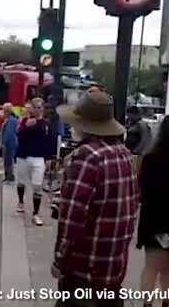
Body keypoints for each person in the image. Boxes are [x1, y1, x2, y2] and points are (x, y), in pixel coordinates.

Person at [52, 91, 139, 307]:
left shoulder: (88, 157)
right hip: (113, 268)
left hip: (85, 270)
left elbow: (72, 219)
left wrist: (60, 259)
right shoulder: (124, 154)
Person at [137, 114, 169, 307]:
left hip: (155, 221)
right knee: (168, 268)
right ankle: (167, 303)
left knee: (154, 267)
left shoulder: (151, 159)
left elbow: (145, 192)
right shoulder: (161, 160)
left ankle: (150, 303)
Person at [15, 97, 49, 226]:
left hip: (38, 157)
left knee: (37, 185)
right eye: (35, 108)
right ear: (32, 109)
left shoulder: (45, 124)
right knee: (21, 181)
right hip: (24, 155)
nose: (37, 110)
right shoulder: (25, 121)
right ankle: (21, 202)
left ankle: (36, 213)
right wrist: (25, 126)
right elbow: (19, 135)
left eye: (40, 108)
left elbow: (48, 141)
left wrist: (49, 157)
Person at [1, 102, 18, 185]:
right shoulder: (11, 119)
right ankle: (8, 177)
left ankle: (10, 178)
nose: (2, 113)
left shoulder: (11, 120)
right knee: (7, 161)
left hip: (9, 144)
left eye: (3, 111)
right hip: (9, 143)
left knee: (8, 161)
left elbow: (9, 133)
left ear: (7, 111)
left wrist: (5, 143)